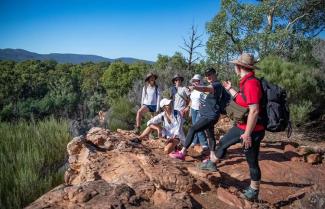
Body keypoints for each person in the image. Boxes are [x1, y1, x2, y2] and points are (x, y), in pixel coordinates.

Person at [212, 53, 265, 201]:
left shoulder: (251, 83)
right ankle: (211, 163)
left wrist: (247, 134)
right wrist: (230, 89)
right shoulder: (246, 82)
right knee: (223, 142)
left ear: (240, 67)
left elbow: (254, 110)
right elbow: (243, 100)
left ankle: (254, 190)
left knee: (252, 160)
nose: (235, 67)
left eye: (236, 65)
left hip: (252, 130)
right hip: (243, 126)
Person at [169, 68, 223, 162]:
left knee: (193, 129)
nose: (208, 77)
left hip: (209, 115)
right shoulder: (213, 84)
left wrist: (195, 87)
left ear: (215, 74)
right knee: (210, 135)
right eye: (206, 75)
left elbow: (206, 89)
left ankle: (182, 153)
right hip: (209, 114)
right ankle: (213, 156)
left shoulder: (216, 84)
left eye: (210, 74)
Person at [188, 74, 208, 150]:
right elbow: (191, 100)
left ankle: (204, 143)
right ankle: (195, 141)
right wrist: (190, 110)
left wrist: (203, 107)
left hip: (200, 110)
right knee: (194, 125)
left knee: (198, 126)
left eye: (197, 80)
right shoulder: (193, 90)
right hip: (193, 109)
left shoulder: (203, 89)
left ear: (200, 81)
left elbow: (205, 100)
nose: (195, 82)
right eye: (194, 81)